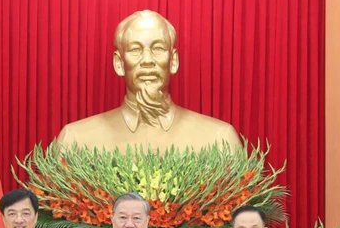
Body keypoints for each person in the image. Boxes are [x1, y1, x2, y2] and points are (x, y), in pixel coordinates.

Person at [56, 10, 243, 151]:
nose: (147, 60)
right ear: (119, 63)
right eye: (135, 49)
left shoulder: (220, 140)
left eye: (158, 48)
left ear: (173, 61)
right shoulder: (75, 141)